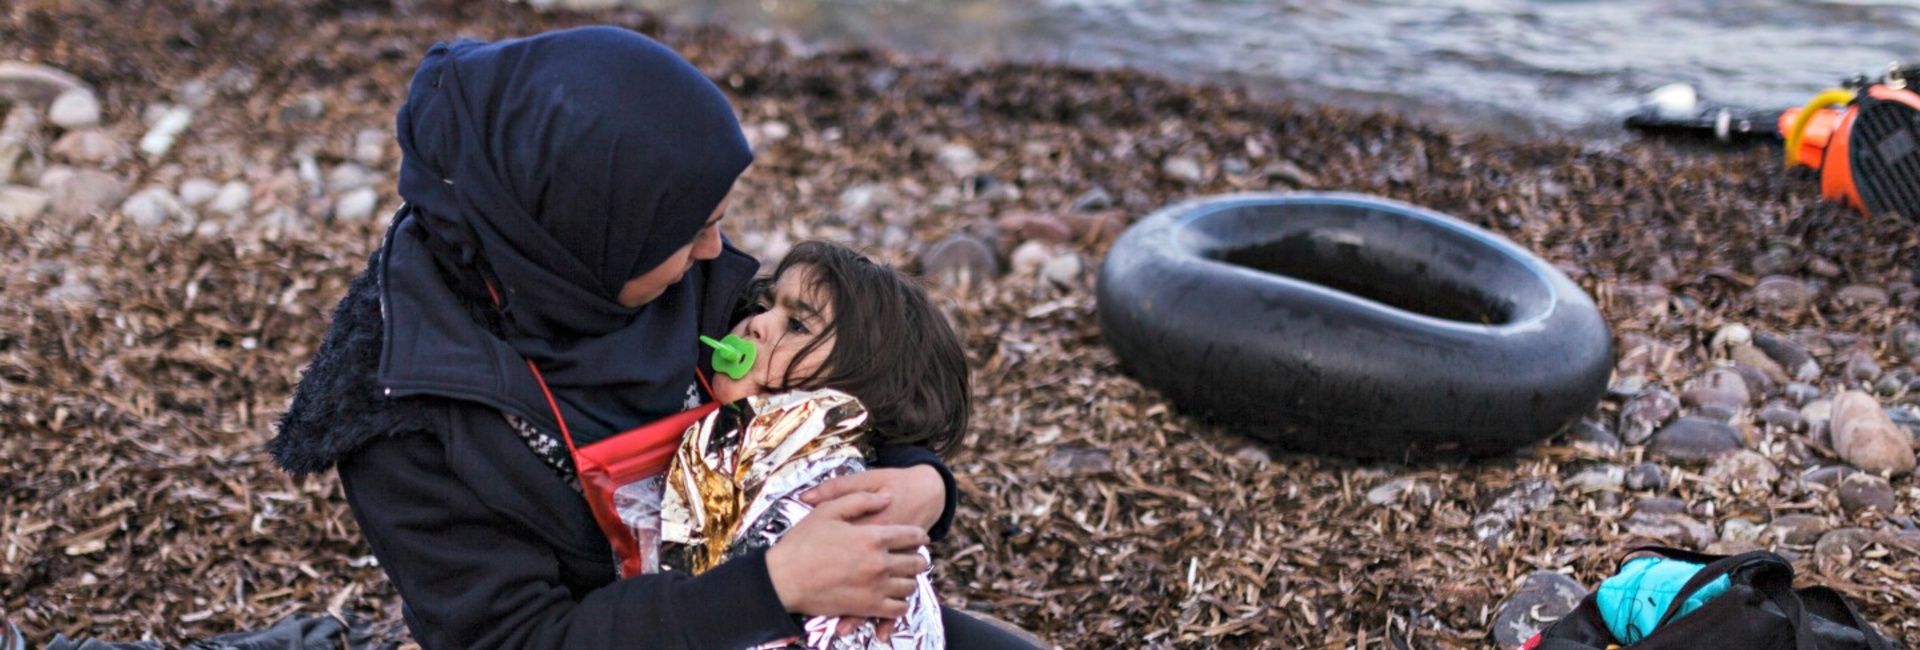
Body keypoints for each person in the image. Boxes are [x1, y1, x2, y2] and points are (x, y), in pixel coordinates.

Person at [269, 26, 1043, 650]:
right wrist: (771, 587)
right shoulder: (403, 412)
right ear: (588, 231)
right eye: (690, 230)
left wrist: (922, 484)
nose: (716, 252)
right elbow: (519, 637)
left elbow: (840, 386)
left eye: (715, 220)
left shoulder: (658, 274)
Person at [652, 241, 969, 649]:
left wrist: (930, 480)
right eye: (764, 306)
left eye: (797, 326)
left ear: (858, 389)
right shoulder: (721, 434)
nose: (756, 323)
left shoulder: (826, 489)